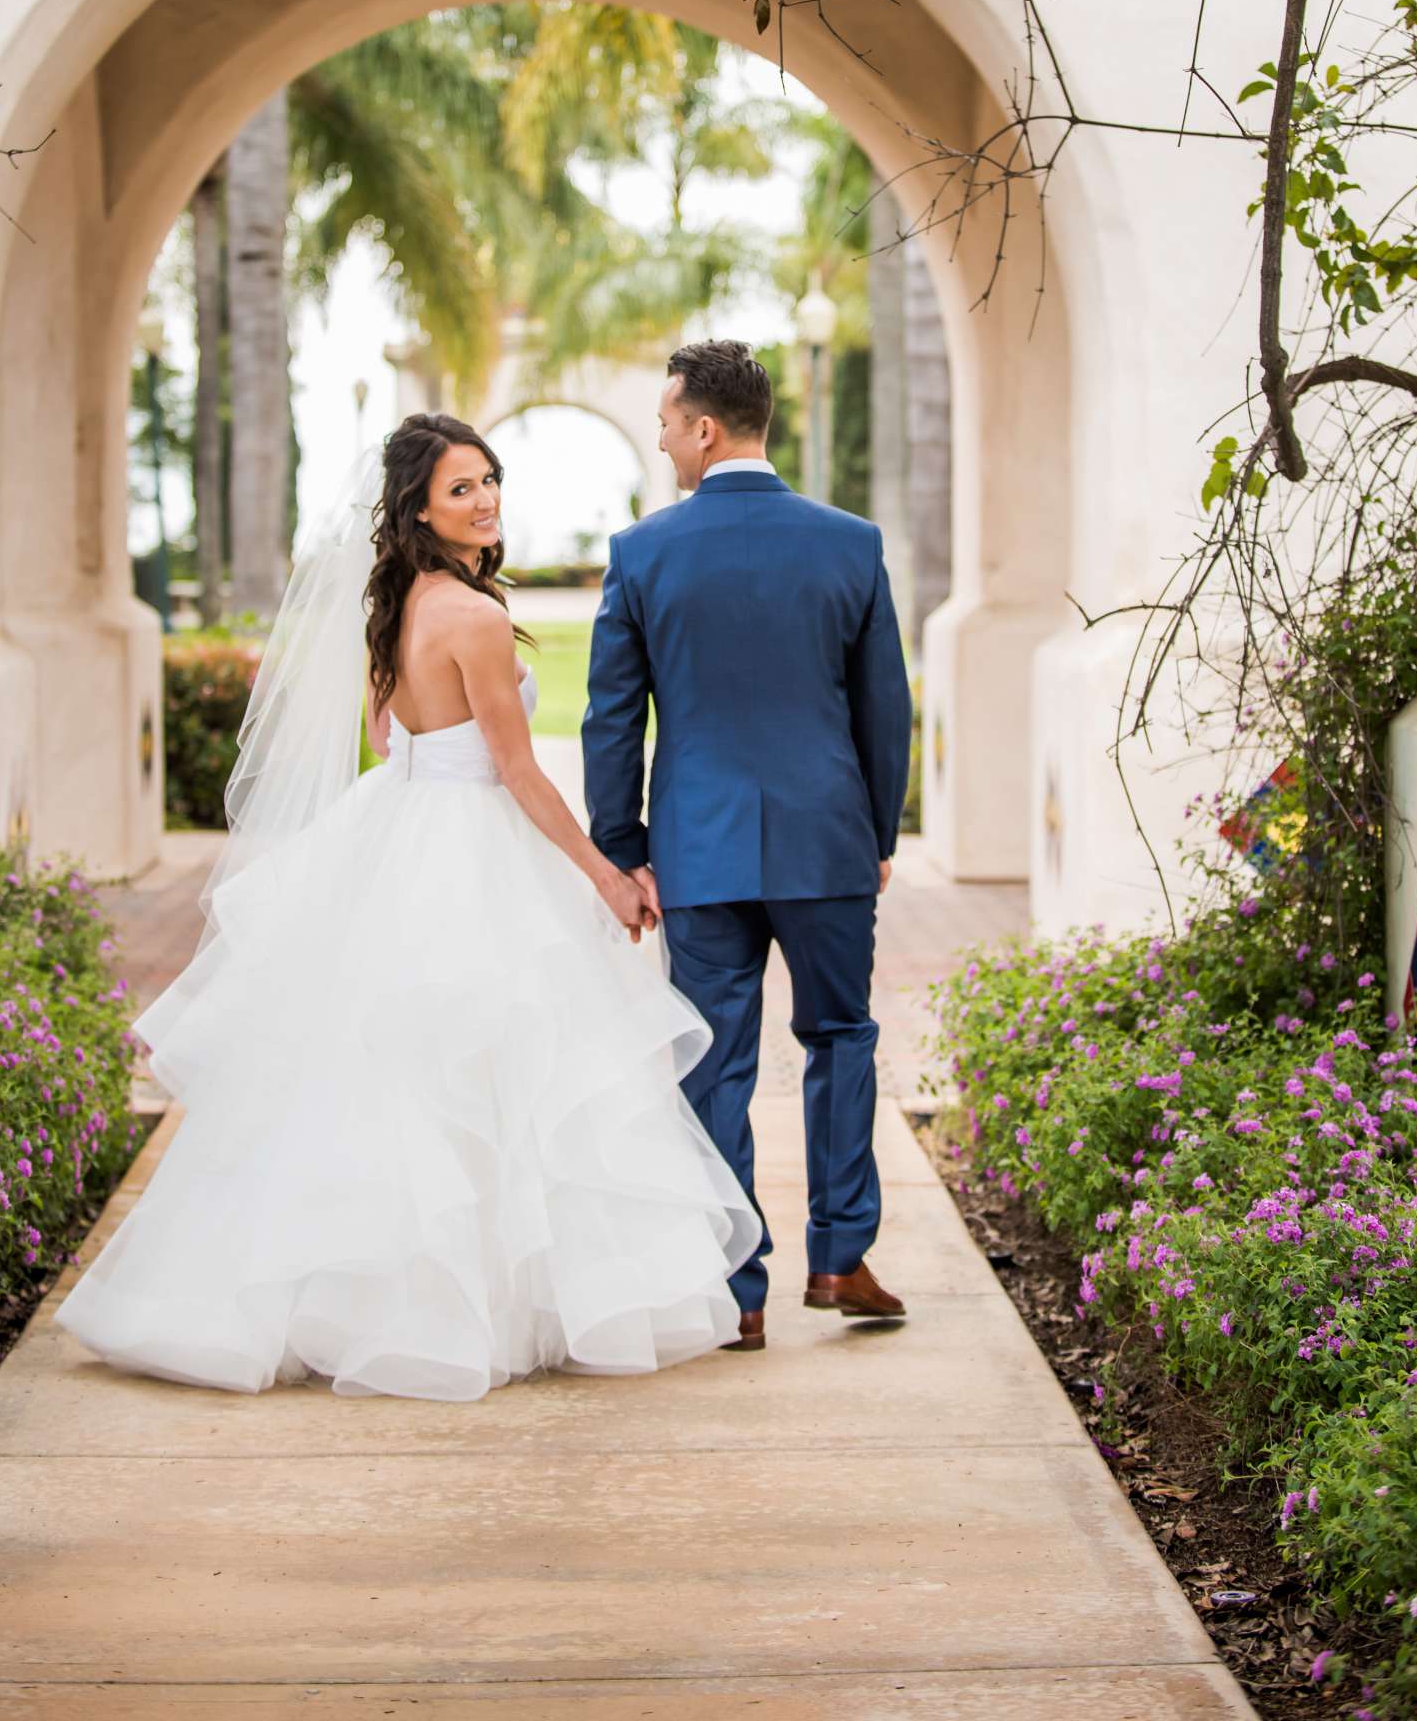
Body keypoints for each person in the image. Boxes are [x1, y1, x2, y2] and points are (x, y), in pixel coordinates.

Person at [56, 414, 760, 1401]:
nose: (485, 501)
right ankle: (462, 1312)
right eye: (461, 488)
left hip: (396, 824)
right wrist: (605, 872)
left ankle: (346, 1299)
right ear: (419, 508)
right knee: (488, 1075)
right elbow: (516, 771)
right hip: (468, 835)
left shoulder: (395, 607)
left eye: (490, 481)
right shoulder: (471, 618)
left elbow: (387, 733)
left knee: (384, 1074)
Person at [582, 341, 915, 1353]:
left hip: (701, 852)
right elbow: (884, 709)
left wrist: (625, 849)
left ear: (705, 429)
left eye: (667, 422)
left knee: (716, 1066)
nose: (662, 439)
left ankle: (739, 1290)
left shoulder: (643, 553)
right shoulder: (850, 544)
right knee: (840, 1036)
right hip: (827, 846)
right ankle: (840, 1256)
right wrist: (880, 830)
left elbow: (612, 721)